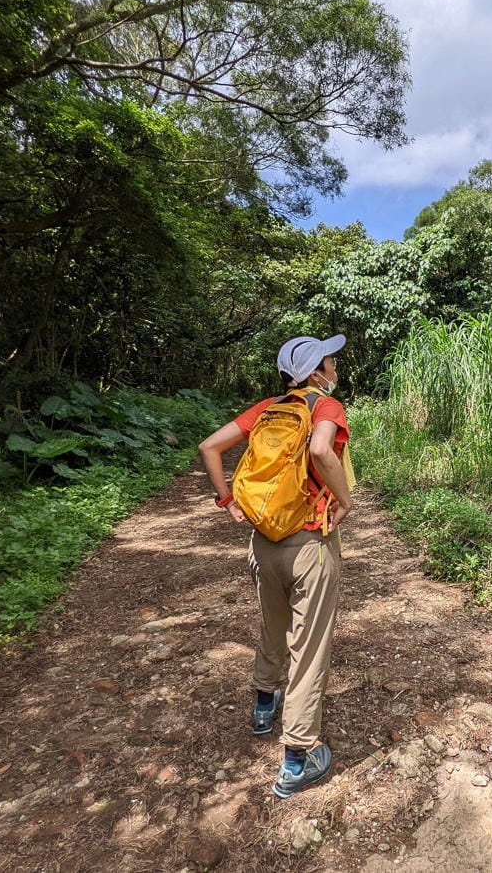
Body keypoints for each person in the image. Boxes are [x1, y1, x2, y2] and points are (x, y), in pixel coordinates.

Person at [198, 334, 353, 799]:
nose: (334, 366)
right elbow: (321, 450)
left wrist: (227, 501)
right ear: (317, 372)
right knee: (309, 648)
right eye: (330, 361)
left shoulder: (269, 408)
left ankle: (265, 707)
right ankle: (297, 760)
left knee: (273, 623)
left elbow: (209, 447)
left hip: (264, 542)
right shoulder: (325, 406)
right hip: (309, 545)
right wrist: (345, 500)